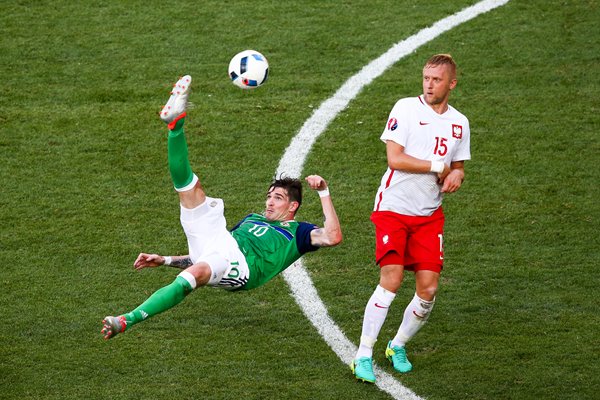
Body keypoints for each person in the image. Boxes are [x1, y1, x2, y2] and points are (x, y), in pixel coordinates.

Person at [101, 75, 343, 340]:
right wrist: (165, 260)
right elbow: (208, 251)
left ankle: (126, 319)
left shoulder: (298, 233)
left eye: (278, 198)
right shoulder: (251, 220)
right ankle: (175, 125)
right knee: (190, 190)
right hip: (220, 242)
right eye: (269, 196)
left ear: (293, 205)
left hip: (243, 268)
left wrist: (324, 192)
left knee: (195, 276)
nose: (269, 201)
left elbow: (333, 236)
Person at [351, 54, 471, 383]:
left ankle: (397, 345)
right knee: (390, 281)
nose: (428, 84)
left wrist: (456, 175)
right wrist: (438, 167)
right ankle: (362, 354)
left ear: (451, 84)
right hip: (393, 208)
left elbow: (457, 165)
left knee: (429, 288)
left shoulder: (460, 122)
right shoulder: (405, 108)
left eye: (435, 79)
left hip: (429, 216)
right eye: (425, 78)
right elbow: (395, 158)